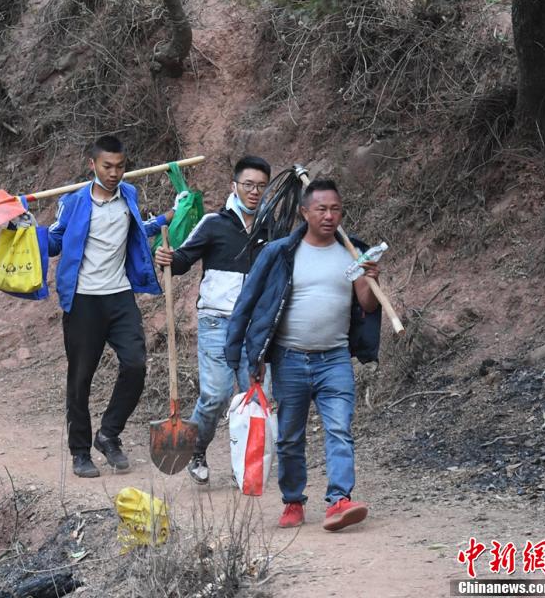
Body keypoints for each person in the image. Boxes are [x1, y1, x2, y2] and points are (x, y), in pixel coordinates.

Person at [225, 179, 382, 531]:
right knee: (291, 435)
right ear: (304, 212)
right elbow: (249, 303)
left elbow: (367, 305)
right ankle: (293, 501)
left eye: (335, 209)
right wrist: (246, 355)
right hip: (290, 359)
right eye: (321, 209)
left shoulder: (353, 253)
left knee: (340, 428)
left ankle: (339, 500)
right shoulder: (281, 253)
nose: (329, 216)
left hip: (335, 358)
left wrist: (371, 277)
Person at [48, 135, 183, 478]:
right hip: (83, 301)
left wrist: (171, 214)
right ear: (92, 165)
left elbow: (137, 230)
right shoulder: (74, 202)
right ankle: (80, 452)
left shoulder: (130, 196)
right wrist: (21, 229)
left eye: (120, 166)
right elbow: (54, 241)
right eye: (107, 166)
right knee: (80, 378)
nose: (114, 173)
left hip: (119, 296)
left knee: (136, 365)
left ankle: (109, 434)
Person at [153, 156, 272, 485]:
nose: (254, 191)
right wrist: (166, 258)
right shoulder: (213, 223)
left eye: (261, 186)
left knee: (254, 396)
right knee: (216, 396)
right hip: (217, 324)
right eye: (248, 184)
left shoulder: (271, 227)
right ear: (234, 186)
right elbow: (182, 260)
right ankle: (196, 449)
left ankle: (244, 466)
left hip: (255, 328)